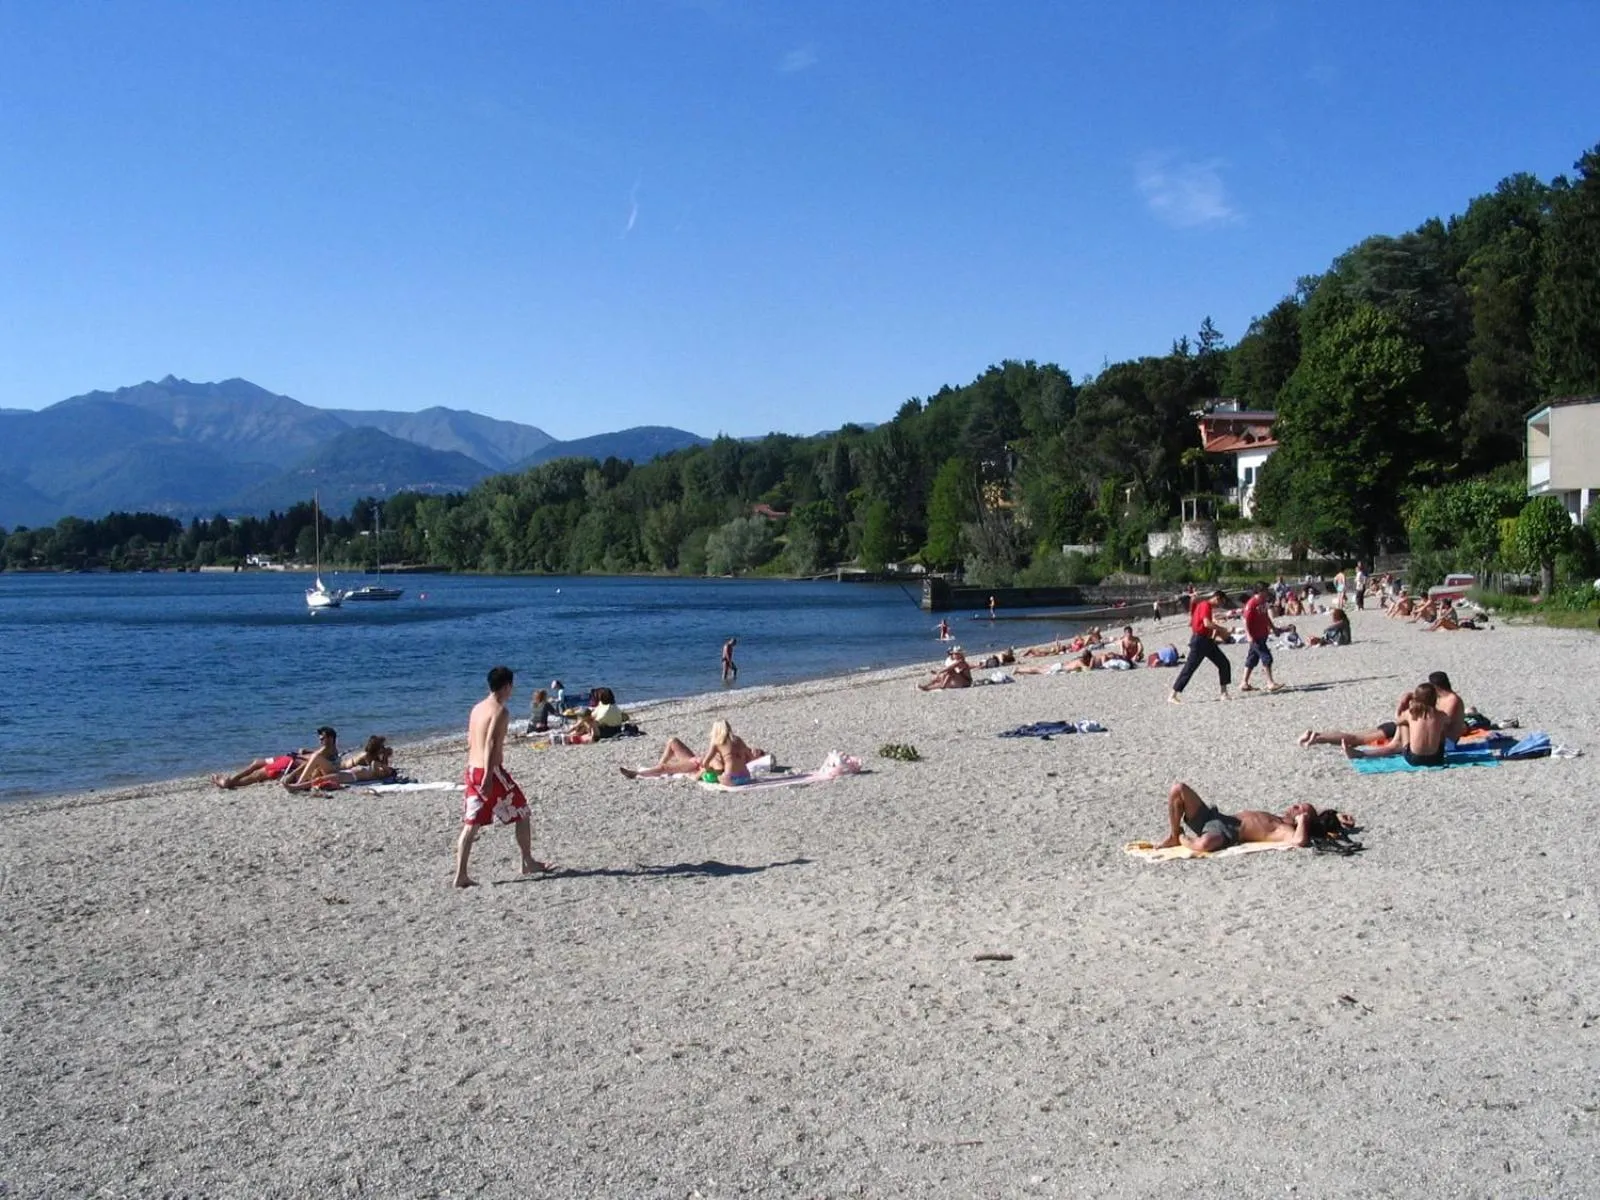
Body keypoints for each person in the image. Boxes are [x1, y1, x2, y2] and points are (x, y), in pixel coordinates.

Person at [455, 665, 549, 888]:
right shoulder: (500, 711)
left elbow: (471, 741)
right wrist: (488, 775)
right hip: (491, 772)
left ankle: (461, 874)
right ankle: (527, 861)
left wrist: (479, 772)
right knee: (522, 811)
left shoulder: (477, 708)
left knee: (471, 824)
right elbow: (490, 743)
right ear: (507, 686)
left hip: (472, 770)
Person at [1154, 782, 1355, 851]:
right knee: (1178, 789)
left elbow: (1299, 841)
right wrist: (1335, 813)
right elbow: (1318, 816)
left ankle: (1180, 838)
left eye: (1298, 808)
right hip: (1216, 817)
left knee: (1203, 845)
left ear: (1301, 819)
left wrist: (1302, 822)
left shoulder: (1284, 830)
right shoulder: (1280, 819)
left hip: (1228, 833)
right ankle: (1173, 834)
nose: (1292, 806)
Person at [1345, 682, 1451, 767]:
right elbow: (1448, 722)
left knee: (1404, 724)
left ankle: (1392, 747)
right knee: (1441, 727)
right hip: (1437, 759)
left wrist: (1402, 705)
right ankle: (1400, 746)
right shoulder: (1441, 715)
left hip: (1414, 759)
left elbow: (1397, 721)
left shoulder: (1410, 713)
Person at [621, 721, 767, 780]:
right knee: (673, 741)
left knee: (665, 767)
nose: (755, 750)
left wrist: (698, 773)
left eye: (757, 753)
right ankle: (659, 770)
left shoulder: (736, 757)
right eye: (757, 749)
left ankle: (637, 773)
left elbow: (714, 769)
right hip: (695, 758)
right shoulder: (740, 747)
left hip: (694, 765)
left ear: (754, 759)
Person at [1168, 589, 1232, 704]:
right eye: (1221, 602)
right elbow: (1207, 623)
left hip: (1206, 641)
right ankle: (1173, 695)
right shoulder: (1205, 605)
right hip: (1199, 641)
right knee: (1189, 668)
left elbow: (1201, 622)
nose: (1220, 605)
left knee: (1223, 663)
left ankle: (1224, 693)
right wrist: (1223, 629)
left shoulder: (1204, 606)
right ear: (1217, 598)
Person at [1239, 582, 1288, 693]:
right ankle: (1270, 683)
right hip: (1255, 637)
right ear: (1260, 591)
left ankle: (1244, 683)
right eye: (1266, 590)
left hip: (1262, 635)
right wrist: (1249, 635)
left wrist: (1273, 628)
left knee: (1252, 659)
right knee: (1267, 657)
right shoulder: (1251, 603)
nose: (1267, 592)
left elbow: (1265, 617)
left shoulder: (1262, 602)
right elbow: (1245, 620)